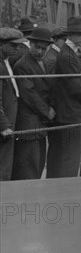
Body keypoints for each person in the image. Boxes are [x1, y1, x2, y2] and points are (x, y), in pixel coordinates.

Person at [47, 17, 81, 178]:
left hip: (71, 111)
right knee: (70, 157)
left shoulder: (70, 53)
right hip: (70, 112)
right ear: (70, 35)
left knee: (70, 155)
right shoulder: (67, 55)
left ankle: (64, 187)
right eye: (79, 34)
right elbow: (75, 86)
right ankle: (67, 190)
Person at [12, 27, 55, 180]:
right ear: (31, 44)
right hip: (29, 122)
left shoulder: (41, 62)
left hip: (38, 123)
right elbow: (29, 94)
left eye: (44, 49)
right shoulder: (23, 65)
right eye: (37, 47)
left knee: (37, 163)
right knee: (29, 165)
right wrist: (47, 110)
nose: (40, 51)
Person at [0, 28, 26, 181]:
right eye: (13, 45)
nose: (17, 49)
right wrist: (3, 125)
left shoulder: (6, 61)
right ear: (2, 45)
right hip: (4, 123)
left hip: (9, 118)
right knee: (3, 160)